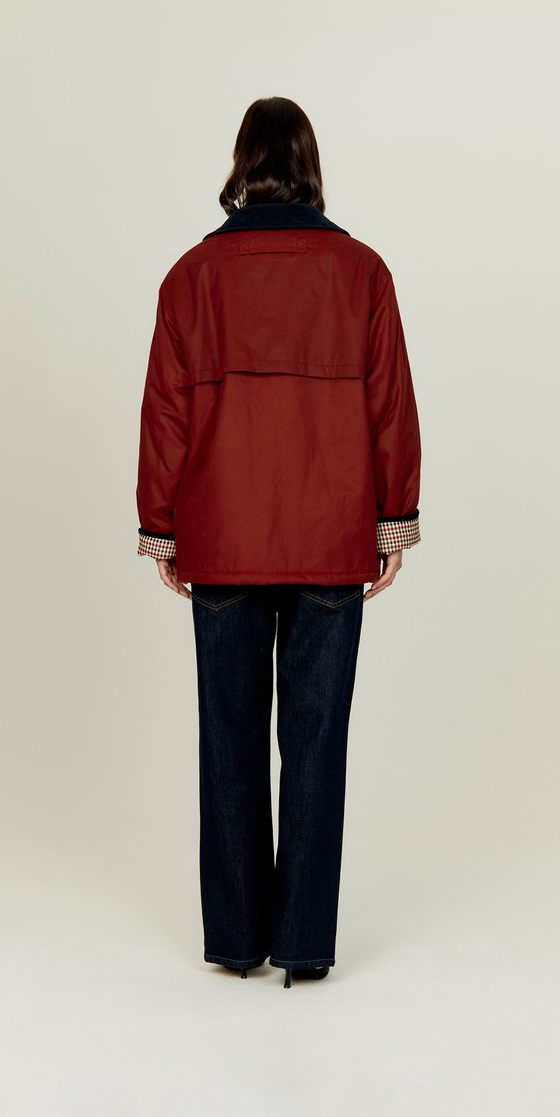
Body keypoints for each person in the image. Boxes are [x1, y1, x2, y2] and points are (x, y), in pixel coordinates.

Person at [135, 96, 422, 988]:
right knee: (317, 740)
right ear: (309, 166)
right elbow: (391, 405)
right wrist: (395, 518)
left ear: (242, 166)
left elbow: (165, 414)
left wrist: (161, 526)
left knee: (227, 737)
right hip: (330, 535)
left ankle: (234, 941)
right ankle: (302, 944)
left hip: (222, 534)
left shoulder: (191, 277)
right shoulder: (361, 272)